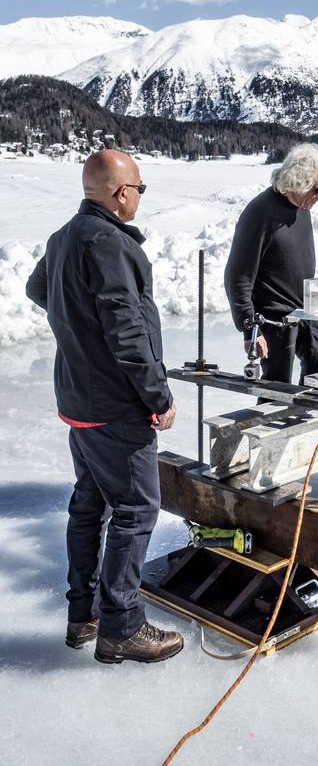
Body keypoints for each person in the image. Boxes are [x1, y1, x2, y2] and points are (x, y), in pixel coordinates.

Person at [25, 150, 183, 664]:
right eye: (139, 187)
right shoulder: (110, 243)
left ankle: (83, 615)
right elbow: (127, 330)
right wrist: (157, 396)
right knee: (137, 508)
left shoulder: (64, 236)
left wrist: (77, 331)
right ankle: (122, 626)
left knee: (90, 505)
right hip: (115, 405)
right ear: (120, 194)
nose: (140, 195)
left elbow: (36, 288)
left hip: (79, 399)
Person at [224, 143, 318, 384]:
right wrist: (250, 328)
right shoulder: (260, 212)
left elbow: (296, 264)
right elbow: (237, 276)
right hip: (274, 321)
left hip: (305, 312)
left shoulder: (302, 207)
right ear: (299, 183)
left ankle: (313, 422)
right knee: (276, 388)